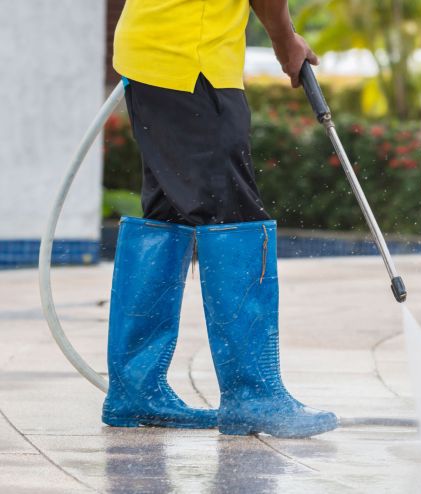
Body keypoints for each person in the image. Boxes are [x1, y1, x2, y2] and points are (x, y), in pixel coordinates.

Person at [102, 0, 337, 438]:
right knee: (233, 212)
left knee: (167, 213)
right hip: (191, 61)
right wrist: (286, 41)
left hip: (159, 52)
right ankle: (253, 395)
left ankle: (136, 390)